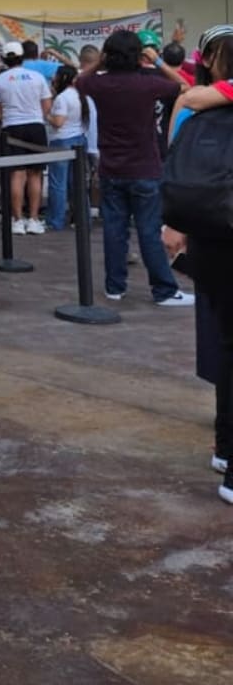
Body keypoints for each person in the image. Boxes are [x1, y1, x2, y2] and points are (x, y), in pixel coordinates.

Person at [163, 26, 233, 495]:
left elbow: (177, 167)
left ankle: (226, 446)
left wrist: (174, 224)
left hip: (211, 236)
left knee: (224, 340)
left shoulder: (190, 104)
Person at [75, 29, 191, 306]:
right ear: (139, 55)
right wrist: (158, 60)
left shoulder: (100, 85)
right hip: (145, 168)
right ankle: (163, 290)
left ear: (108, 55)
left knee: (114, 231)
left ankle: (115, 287)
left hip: (111, 169)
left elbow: (79, 80)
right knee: (149, 231)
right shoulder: (148, 84)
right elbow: (184, 85)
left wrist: (101, 61)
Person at [0, 42, 51, 234]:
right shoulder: (37, 77)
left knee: (17, 174)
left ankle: (17, 220)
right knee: (35, 174)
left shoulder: (0, 80)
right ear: (22, 57)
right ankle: (33, 219)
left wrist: (9, 118)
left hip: (11, 128)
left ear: (5, 58)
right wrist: (35, 115)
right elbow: (47, 106)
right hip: (35, 126)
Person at [45, 65, 89, 231]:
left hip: (61, 141)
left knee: (58, 183)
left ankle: (56, 220)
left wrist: (46, 115)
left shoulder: (62, 98)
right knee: (77, 183)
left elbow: (58, 122)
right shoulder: (79, 95)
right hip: (78, 139)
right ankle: (83, 220)